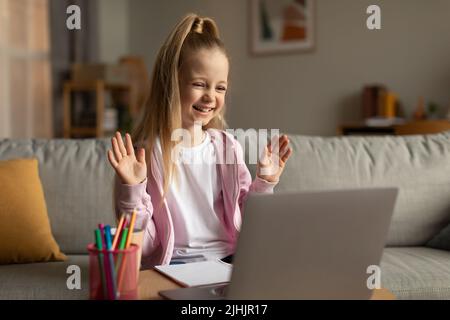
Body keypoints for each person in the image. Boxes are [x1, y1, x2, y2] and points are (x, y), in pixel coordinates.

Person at [107, 13, 292, 268]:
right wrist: (134, 188)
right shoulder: (146, 155)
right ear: (171, 83)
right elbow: (144, 245)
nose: (210, 97)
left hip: (230, 261)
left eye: (220, 88)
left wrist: (265, 183)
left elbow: (249, 224)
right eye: (199, 84)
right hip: (173, 265)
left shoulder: (228, 147)